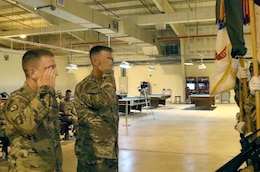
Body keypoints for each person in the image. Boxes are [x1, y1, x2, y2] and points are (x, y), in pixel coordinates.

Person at [3, 49, 63, 171]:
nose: (56, 73)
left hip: (51, 166)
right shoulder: (17, 99)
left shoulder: (47, 96)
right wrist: (45, 90)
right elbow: (27, 126)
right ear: (33, 73)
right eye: (50, 68)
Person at [74, 45, 119, 172]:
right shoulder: (86, 85)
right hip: (93, 154)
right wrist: (108, 73)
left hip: (109, 152)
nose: (111, 62)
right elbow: (105, 100)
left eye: (112, 59)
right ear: (95, 62)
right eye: (108, 59)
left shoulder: (106, 85)